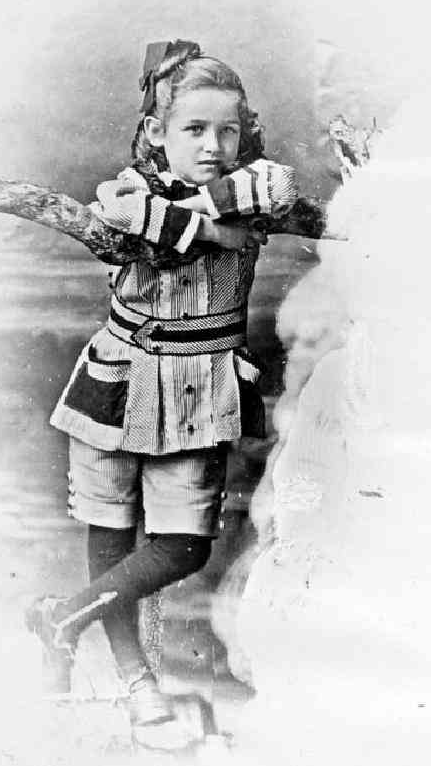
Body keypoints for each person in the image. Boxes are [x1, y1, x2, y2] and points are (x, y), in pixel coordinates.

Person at [25, 38, 298, 738]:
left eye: (227, 130)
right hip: (117, 385)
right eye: (194, 129)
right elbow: (123, 214)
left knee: (183, 545)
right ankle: (137, 684)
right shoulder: (129, 191)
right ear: (156, 132)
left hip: (200, 390)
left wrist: (202, 212)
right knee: (112, 537)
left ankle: (62, 618)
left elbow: (275, 188)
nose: (213, 145)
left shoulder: (256, 186)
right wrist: (213, 230)